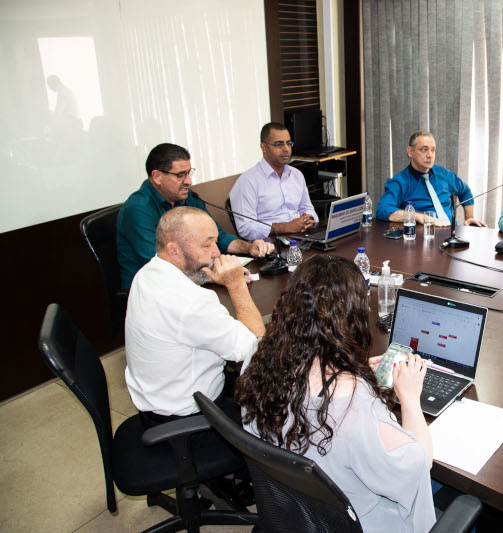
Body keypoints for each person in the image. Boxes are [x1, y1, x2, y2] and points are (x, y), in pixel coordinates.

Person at [236, 255, 436, 532]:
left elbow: (307, 378)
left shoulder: (259, 355)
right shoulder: (355, 402)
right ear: (354, 316)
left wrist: (345, 369)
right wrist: (410, 398)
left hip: (294, 512)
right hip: (356, 521)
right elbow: (421, 463)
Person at [125, 206, 265, 425]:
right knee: (275, 392)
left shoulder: (146, 274)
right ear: (174, 250)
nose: (216, 253)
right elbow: (257, 348)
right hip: (194, 417)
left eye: (215, 242)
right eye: (206, 244)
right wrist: (236, 284)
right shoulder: (191, 302)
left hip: (158, 401)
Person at [118, 142, 272, 289]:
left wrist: (249, 247)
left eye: (189, 173)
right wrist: (216, 277)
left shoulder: (188, 198)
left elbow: (217, 236)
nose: (189, 181)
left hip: (188, 279)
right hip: (152, 290)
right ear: (157, 176)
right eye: (180, 175)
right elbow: (160, 263)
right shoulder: (138, 209)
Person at [375, 131, 487, 227]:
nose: (430, 155)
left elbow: (465, 191)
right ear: (410, 152)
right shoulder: (399, 182)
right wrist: (419, 217)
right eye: (424, 150)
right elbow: (382, 210)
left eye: (433, 150)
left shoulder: (443, 174)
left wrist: (469, 217)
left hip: (453, 235)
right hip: (424, 238)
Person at [229, 122, 318, 238]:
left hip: (302, 237)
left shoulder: (296, 175)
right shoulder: (247, 181)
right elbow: (246, 228)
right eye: (279, 144)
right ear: (264, 147)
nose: (286, 149)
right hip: (270, 244)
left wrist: (310, 219)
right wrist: (286, 227)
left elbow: (307, 208)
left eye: (289, 143)